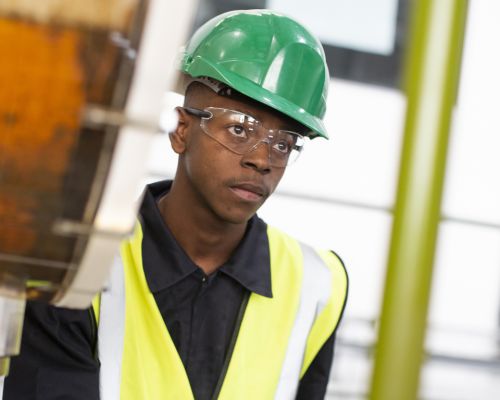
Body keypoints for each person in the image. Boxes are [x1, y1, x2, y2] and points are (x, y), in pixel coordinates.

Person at [2, 9, 348, 400]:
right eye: (239, 129)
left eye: (283, 143)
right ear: (182, 130)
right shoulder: (76, 261)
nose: (262, 159)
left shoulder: (317, 285)